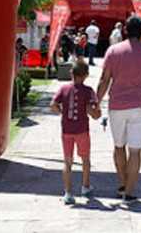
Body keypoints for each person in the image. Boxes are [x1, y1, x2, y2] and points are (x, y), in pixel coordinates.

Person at [97, 15, 141, 202]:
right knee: (135, 151)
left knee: (119, 147)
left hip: (117, 106)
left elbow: (104, 79)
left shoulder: (113, 51)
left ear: (125, 30)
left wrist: (96, 101)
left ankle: (122, 184)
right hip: (140, 107)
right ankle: (130, 191)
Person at [50, 59, 101, 205]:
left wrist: (61, 112)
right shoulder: (89, 91)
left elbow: (53, 105)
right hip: (82, 130)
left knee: (67, 161)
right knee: (85, 159)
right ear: (86, 75)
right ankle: (85, 186)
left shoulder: (63, 89)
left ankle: (68, 193)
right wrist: (95, 113)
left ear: (71, 73)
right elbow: (93, 112)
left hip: (66, 130)